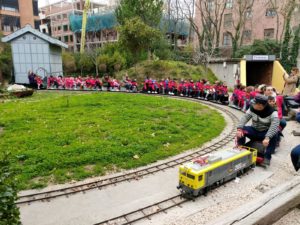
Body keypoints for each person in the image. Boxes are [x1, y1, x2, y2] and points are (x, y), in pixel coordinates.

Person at [236, 94, 279, 166]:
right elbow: (245, 118)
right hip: (254, 130)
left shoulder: (273, 113)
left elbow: (274, 126)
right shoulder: (252, 109)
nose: (252, 104)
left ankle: (267, 157)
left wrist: (267, 138)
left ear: (260, 105)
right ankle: (240, 147)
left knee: (275, 135)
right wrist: (239, 128)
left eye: (254, 103)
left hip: (265, 134)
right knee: (242, 130)